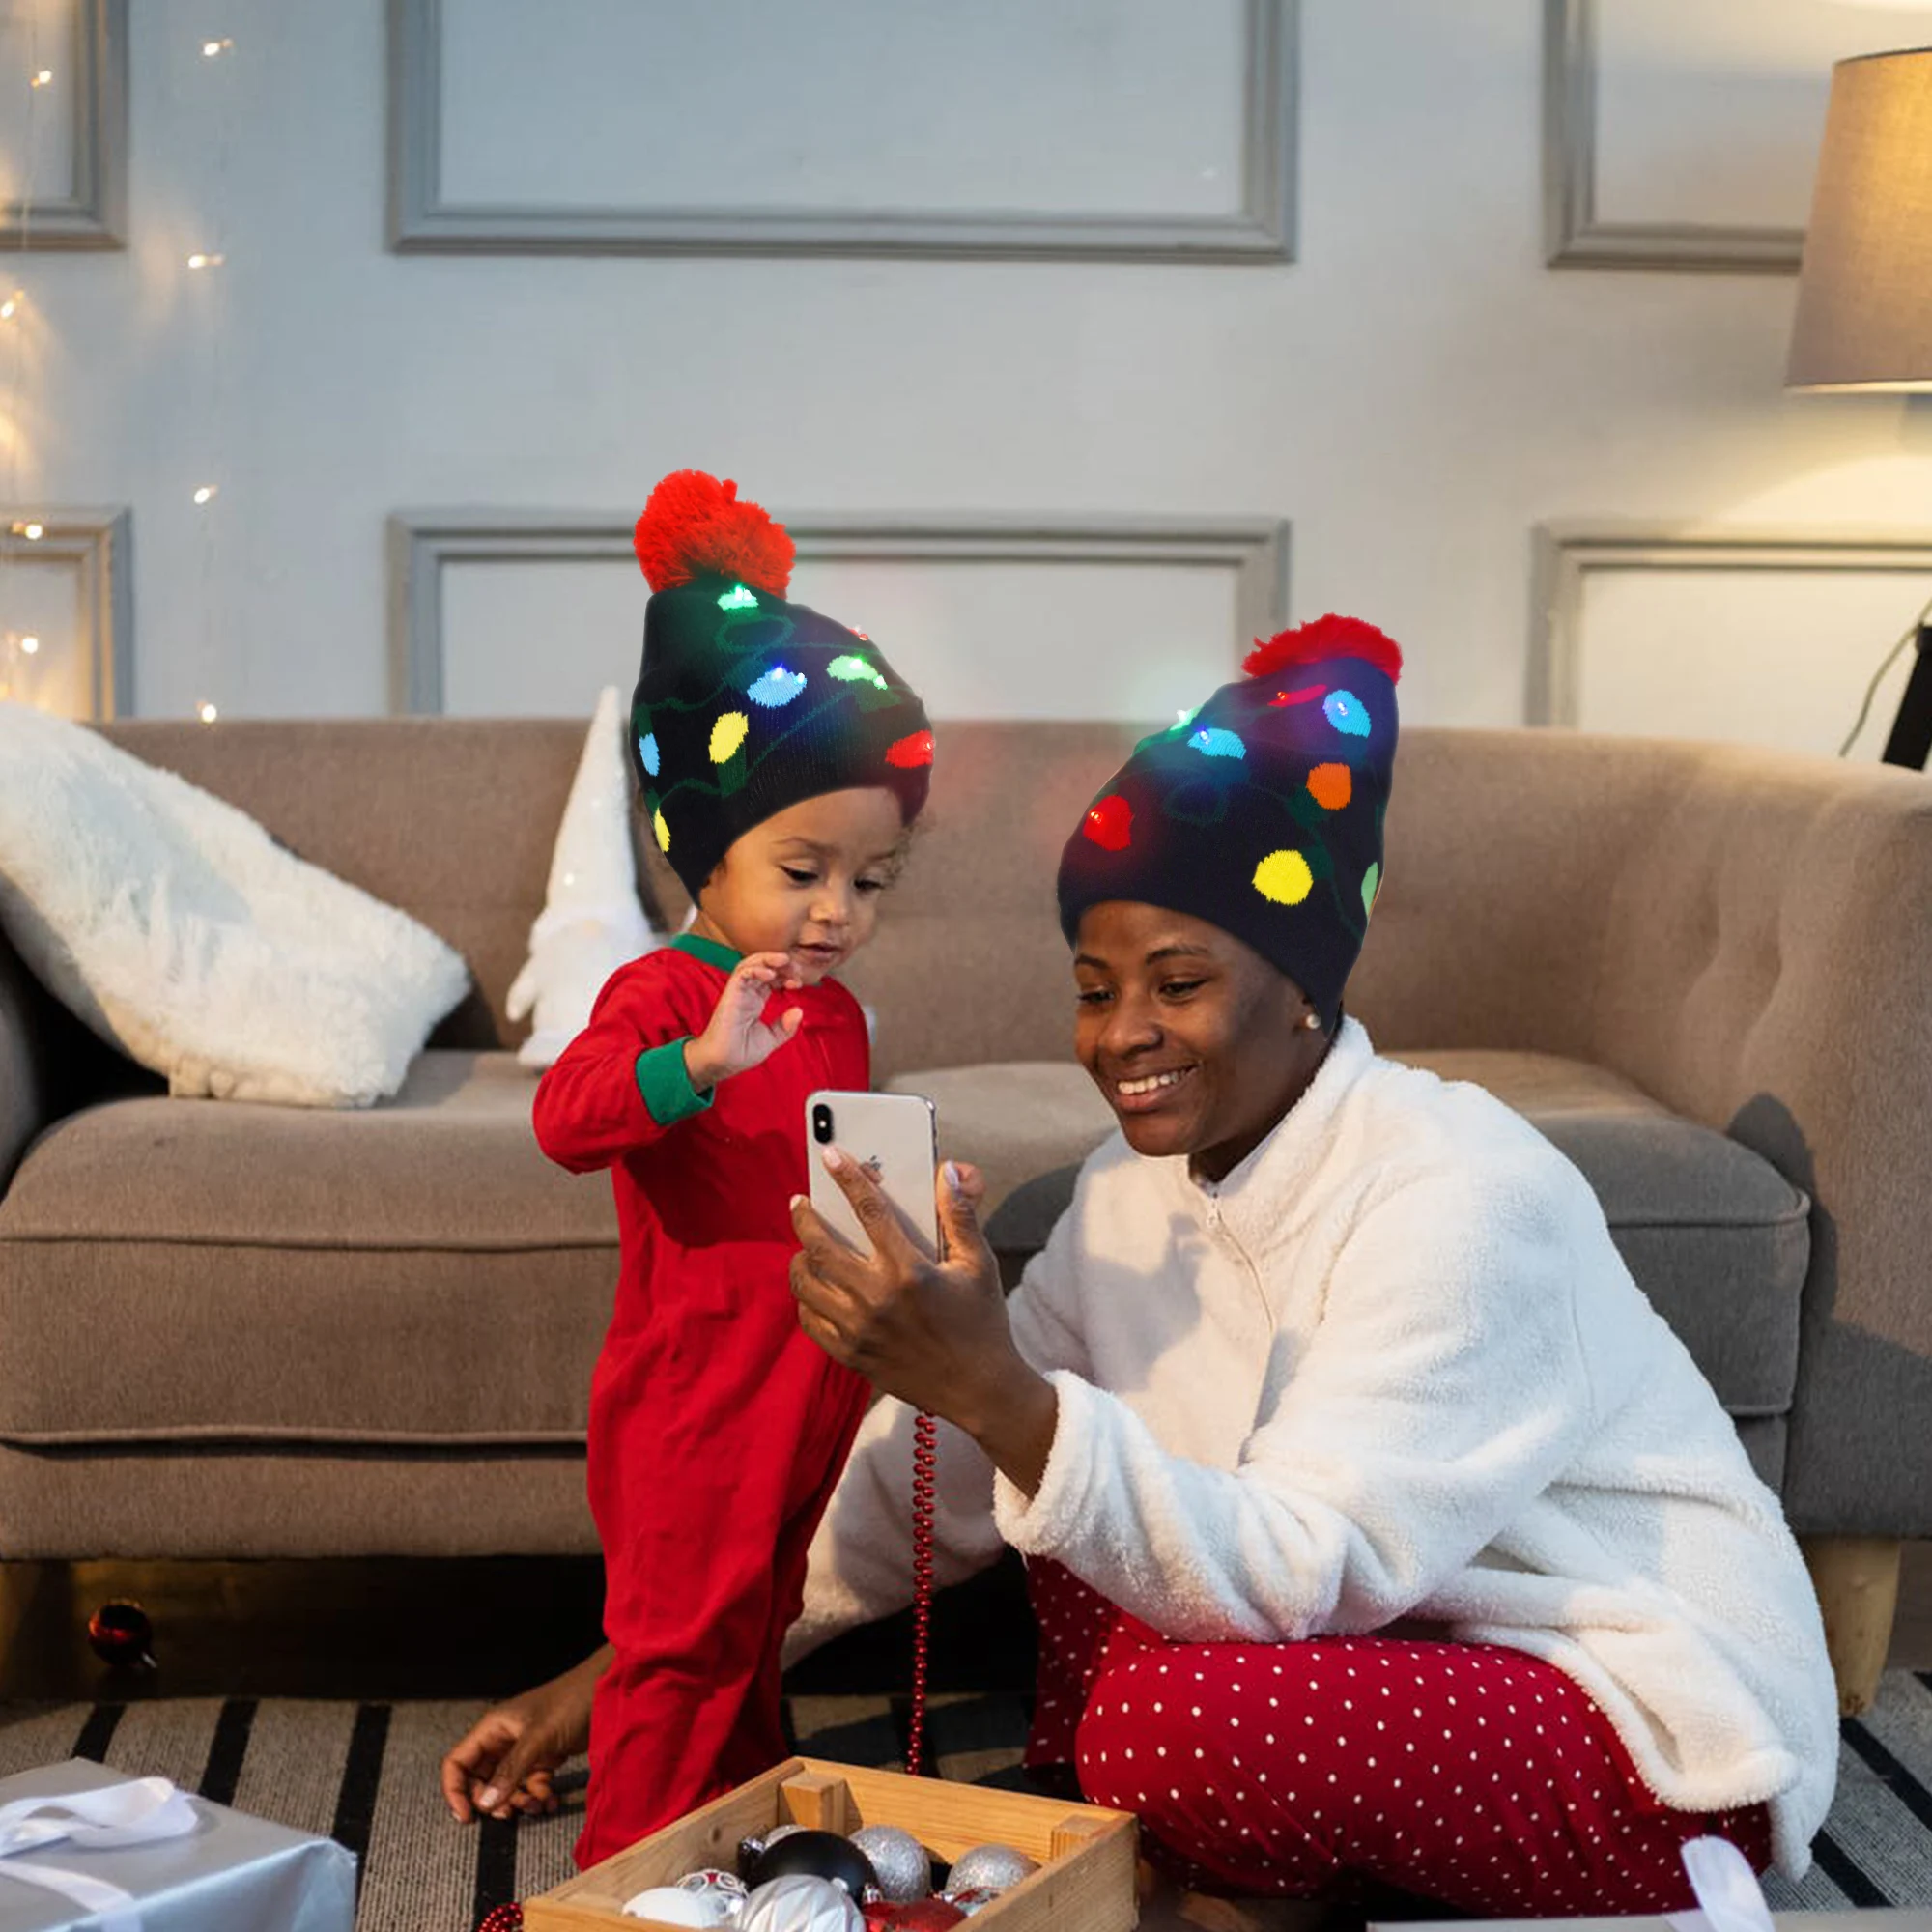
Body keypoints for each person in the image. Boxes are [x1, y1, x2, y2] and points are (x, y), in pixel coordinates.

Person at [446, 614, 1838, 1917]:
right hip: (1369, 1639)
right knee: (1069, 1507)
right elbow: (927, 1484)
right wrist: (624, 1671)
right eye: (1093, 989)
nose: (1121, 1037)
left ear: (1306, 986)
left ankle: (1219, 1884)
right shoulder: (1130, 1191)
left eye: (1177, 985)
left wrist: (996, 1389)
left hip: (1631, 1720)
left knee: (1165, 1712)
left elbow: (1305, 1568)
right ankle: (1216, 1865)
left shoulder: (1460, 1193)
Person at [442, 470, 935, 1872]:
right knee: (675, 1652)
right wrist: (699, 1062)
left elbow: (830, 1169)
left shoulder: (835, 1010)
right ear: (703, 852)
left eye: (871, 881)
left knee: (754, 1628)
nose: (837, 911)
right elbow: (568, 1118)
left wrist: (908, 1215)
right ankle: (630, 1875)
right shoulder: (664, 993)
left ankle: (737, 1844)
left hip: (808, 1382)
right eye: (804, 870)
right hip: (694, 1400)